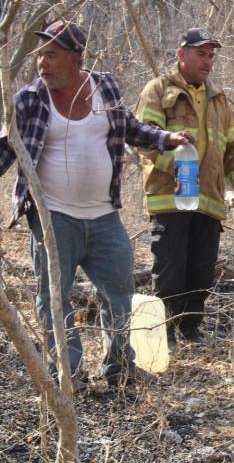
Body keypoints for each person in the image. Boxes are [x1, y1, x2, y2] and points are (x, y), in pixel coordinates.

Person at [0, 20, 192, 388]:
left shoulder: (105, 87)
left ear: (75, 58)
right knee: (54, 298)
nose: (43, 62)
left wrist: (166, 137)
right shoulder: (29, 99)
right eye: (40, 54)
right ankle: (68, 374)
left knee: (118, 294)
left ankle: (119, 368)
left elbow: (132, 129)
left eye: (52, 55)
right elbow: (6, 148)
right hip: (54, 216)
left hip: (105, 216)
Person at [135, 28, 234, 348]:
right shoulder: (158, 90)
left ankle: (191, 329)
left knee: (201, 271)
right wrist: (177, 165)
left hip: (209, 201)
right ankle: (164, 332)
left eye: (211, 55)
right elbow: (144, 140)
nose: (207, 61)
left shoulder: (220, 100)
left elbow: (233, 151)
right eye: (201, 54)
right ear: (182, 55)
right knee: (171, 268)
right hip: (170, 198)